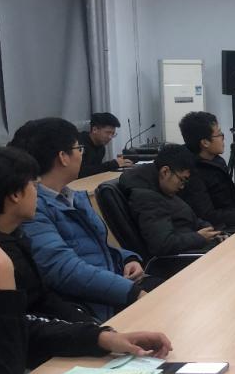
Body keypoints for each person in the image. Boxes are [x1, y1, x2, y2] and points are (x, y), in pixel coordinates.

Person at [0, 171, 172, 374]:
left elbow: (27, 328)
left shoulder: (18, 237)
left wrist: (104, 338)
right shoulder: (3, 256)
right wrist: (1, 267)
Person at [11, 118, 148, 322]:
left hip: (112, 287)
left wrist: (128, 258)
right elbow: (64, 270)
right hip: (91, 307)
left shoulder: (73, 197)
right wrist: (131, 292)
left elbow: (97, 246)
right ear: (63, 157)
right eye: (79, 149)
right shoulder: (33, 210)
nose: (81, 154)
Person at [0, 147, 96, 324]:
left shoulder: (16, 236)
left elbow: (43, 299)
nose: (38, 193)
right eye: (34, 185)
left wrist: (93, 329)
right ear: (15, 194)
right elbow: (20, 325)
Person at [119, 144, 225, 257]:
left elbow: (187, 218)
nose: (182, 186)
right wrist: (199, 237)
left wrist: (211, 231)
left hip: (193, 245)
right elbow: (162, 244)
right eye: (182, 180)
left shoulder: (161, 187)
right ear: (165, 171)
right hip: (183, 258)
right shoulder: (146, 197)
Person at [179, 111, 235, 230]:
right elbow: (208, 215)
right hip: (224, 229)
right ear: (205, 142)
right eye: (219, 134)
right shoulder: (191, 173)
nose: (223, 138)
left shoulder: (217, 160)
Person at [78, 113, 133, 178]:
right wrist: (112, 164)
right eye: (108, 132)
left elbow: (96, 171)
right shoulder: (78, 144)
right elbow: (80, 172)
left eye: (113, 134)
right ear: (94, 130)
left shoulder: (101, 147)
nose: (110, 137)